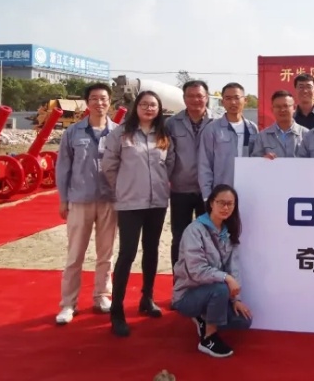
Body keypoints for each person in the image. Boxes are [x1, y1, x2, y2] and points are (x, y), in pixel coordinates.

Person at [100, 90, 174, 337]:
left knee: (151, 250)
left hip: (157, 203)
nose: (149, 108)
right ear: (136, 107)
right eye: (144, 104)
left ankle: (147, 298)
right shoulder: (121, 134)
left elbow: (170, 164)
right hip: (130, 203)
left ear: (159, 109)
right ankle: (117, 311)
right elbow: (109, 166)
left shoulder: (163, 135)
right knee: (127, 254)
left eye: (153, 105)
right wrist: (123, 187)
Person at [54, 82, 119, 325]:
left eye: (103, 98)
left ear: (109, 102)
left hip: (109, 201)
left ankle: (102, 295)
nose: (99, 103)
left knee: (106, 254)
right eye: (94, 98)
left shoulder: (118, 133)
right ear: (87, 102)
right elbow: (63, 168)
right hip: (80, 200)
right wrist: (63, 199)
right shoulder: (73, 133)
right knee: (75, 255)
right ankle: (68, 304)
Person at [171, 184, 252, 358]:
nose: (225, 208)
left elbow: (233, 266)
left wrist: (236, 299)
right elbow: (196, 271)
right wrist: (226, 278)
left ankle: (203, 317)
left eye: (230, 204)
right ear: (211, 204)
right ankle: (208, 338)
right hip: (188, 294)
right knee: (220, 288)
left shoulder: (228, 231)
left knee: (243, 321)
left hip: (214, 291)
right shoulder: (194, 230)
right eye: (221, 203)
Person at [165, 79, 214, 266]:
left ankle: (208, 278)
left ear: (207, 97)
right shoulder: (172, 123)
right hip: (180, 190)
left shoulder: (217, 122)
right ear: (184, 98)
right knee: (179, 237)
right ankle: (179, 279)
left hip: (209, 191)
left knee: (209, 238)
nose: (195, 100)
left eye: (199, 96)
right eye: (190, 96)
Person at [198, 82, 260, 199]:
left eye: (237, 98)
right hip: (221, 193)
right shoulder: (212, 129)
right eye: (228, 98)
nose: (233, 102)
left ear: (245, 100)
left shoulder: (252, 128)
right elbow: (204, 165)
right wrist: (207, 196)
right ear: (223, 102)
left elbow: (256, 159)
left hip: (247, 192)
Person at [253, 90, 308, 158]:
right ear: (272, 109)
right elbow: (255, 160)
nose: (282, 110)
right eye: (278, 106)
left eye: (286, 106)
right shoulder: (262, 136)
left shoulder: (306, 134)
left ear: (294, 108)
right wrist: (263, 159)